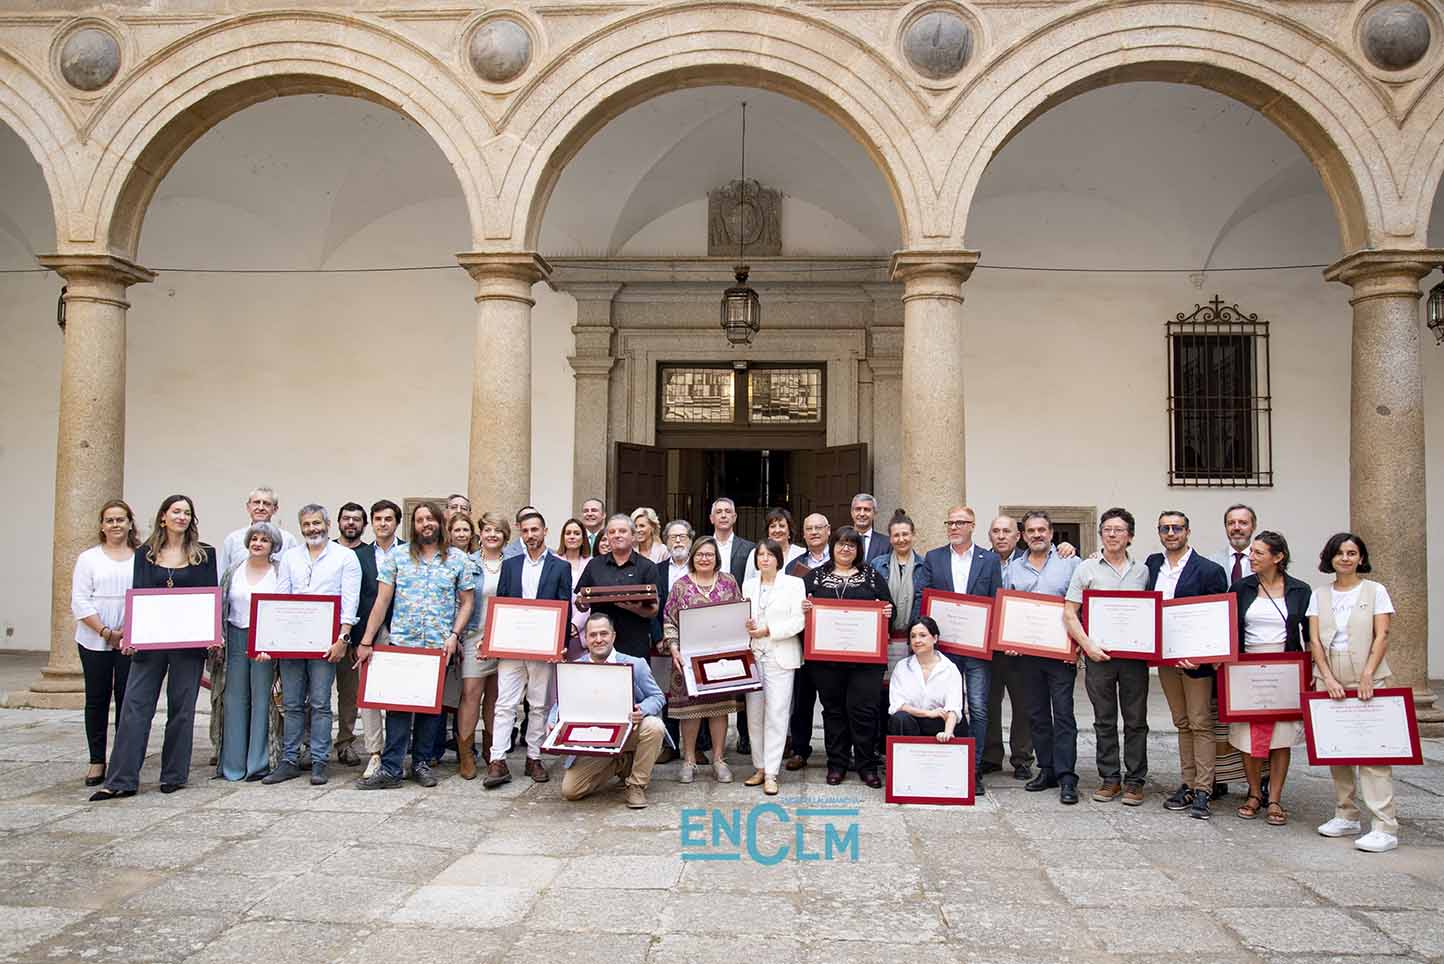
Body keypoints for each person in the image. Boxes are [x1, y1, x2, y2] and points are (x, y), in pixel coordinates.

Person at [91, 495, 219, 800]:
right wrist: (132, 637)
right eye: (176, 511)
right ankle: (121, 778)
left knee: (182, 709)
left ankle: (174, 774)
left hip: (189, 643)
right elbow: (139, 594)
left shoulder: (205, 554)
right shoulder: (146, 554)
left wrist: (214, 636)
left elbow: (210, 597)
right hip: (151, 642)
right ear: (163, 517)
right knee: (136, 707)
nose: (182, 517)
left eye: (187, 512)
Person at [354, 502, 475, 789]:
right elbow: (382, 600)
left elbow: (468, 602)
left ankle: (421, 763)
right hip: (402, 643)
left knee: (429, 710)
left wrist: (454, 634)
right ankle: (392, 768)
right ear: (414, 525)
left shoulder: (458, 559)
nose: (425, 524)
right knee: (398, 708)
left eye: (430, 519)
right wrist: (367, 641)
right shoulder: (397, 557)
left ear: (439, 523)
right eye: (420, 520)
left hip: (437, 645)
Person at [1308, 532, 1400, 852]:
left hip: (1367, 672)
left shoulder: (1375, 591)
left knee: (1373, 750)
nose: (1346, 558)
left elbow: (1382, 634)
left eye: (1352, 553)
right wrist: (1327, 677)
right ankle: (1345, 813)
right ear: (1330, 558)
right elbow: (1315, 640)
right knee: (1339, 748)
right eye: (1340, 553)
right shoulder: (1320, 594)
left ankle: (1384, 825)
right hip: (1331, 673)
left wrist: (1368, 675)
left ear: (1361, 558)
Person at [263, 505, 360, 786]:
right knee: (291, 703)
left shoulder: (345, 557)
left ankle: (319, 760)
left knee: (320, 703)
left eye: (317, 523)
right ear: (300, 527)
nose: (312, 529)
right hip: (292, 643)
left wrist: (343, 639)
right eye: (306, 524)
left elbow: (349, 602)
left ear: (328, 524)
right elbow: (281, 598)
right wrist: (274, 641)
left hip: (325, 643)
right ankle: (289, 760)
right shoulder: (290, 558)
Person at [1063, 507, 1151, 807]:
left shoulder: (1142, 571)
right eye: (1107, 529)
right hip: (1098, 656)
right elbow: (1070, 613)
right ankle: (1110, 778)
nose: (1112, 535)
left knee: (1136, 720)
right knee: (1104, 719)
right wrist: (1087, 646)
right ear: (1100, 533)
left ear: (1130, 536)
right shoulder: (1085, 569)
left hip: (1134, 658)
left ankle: (1136, 781)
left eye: (1119, 530)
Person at [1145, 511, 1228, 819]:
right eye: (1165, 528)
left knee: (1200, 722)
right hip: (1166, 657)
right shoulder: (1153, 565)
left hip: (1196, 660)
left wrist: (1206, 656)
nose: (1171, 533)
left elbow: (1218, 617)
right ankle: (1188, 782)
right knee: (1181, 722)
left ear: (1187, 531)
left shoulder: (1209, 570)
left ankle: (1205, 789)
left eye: (1176, 527)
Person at [913, 505, 1001, 792]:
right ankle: (943, 761)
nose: (953, 527)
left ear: (972, 525)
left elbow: (995, 602)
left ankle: (973, 769)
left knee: (977, 707)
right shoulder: (934, 557)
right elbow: (923, 596)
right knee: (944, 706)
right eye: (949, 522)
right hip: (945, 648)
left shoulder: (988, 560)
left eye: (960, 522)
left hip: (976, 649)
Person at [484, 511, 573, 788]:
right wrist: (493, 640)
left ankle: (534, 757)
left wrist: (561, 646)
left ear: (545, 531)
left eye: (535, 530)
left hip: (543, 647)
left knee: (538, 705)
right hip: (511, 647)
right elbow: (500, 604)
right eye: (525, 531)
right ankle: (497, 760)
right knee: (504, 703)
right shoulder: (510, 566)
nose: (531, 535)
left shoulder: (560, 567)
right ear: (520, 533)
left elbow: (565, 608)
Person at [802, 526, 894, 788]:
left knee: (864, 712)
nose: (845, 549)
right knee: (833, 712)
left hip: (865, 663)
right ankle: (837, 764)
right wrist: (803, 607)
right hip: (826, 662)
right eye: (841, 544)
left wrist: (888, 612)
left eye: (851, 545)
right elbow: (798, 613)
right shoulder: (815, 577)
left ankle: (866, 766)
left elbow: (889, 608)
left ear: (858, 549)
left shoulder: (872, 577)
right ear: (832, 547)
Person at [1230, 531, 1311, 826]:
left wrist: (1311, 670)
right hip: (1247, 665)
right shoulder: (1241, 587)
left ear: (1278, 557)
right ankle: (1254, 793)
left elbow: (1308, 634)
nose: (1252, 557)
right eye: (1252, 552)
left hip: (1285, 666)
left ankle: (1274, 797)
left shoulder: (1300, 590)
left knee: (1281, 737)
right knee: (1248, 734)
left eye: (1259, 553)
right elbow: (1229, 626)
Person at [1005, 511, 1082, 805]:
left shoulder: (1071, 562)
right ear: (1023, 536)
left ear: (1051, 533)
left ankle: (1066, 776)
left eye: (1042, 530)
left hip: (1060, 655)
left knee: (1063, 714)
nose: (1037, 535)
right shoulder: (1014, 567)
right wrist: (1008, 639)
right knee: (1036, 714)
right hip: (1027, 656)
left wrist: (1077, 647)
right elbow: (1007, 607)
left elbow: (1081, 606)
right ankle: (1046, 769)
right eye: (1031, 531)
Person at [557, 613, 669, 808]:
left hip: (628, 733)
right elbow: (561, 703)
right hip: (594, 739)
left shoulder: (636, 664)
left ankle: (636, 785)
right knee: (571, 791)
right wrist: (553, 720)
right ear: (586, 638)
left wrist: (641, 710)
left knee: (654, 726)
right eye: (593, 635)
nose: (598, 639)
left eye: (603, 634)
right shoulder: (575, 668)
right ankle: (621, 763)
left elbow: (658, 697)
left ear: (613, 636)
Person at [663, 536, 745, 783]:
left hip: (721, 659)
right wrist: (674, 648)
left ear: (716, 558)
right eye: (699, 554)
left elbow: (739, 613)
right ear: (692, 557)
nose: (704, 558)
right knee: (692, 710)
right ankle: (689, 761)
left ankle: (719, 760)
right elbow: (669, 620)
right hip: (688, 660)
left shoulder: (728, 582)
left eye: (709, 554)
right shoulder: (681, 586)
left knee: (719, 709)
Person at [71, 499, 138, 786]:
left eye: (120, 519)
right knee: (97, 699)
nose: (115, 525)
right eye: (110, 520)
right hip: (94, 638)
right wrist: (105, 631)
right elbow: (80, 600)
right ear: (102, 525)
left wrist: (125, 631)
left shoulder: (140, 556)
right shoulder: (89, 558)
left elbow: (146, 595)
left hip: (130, 639)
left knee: (128, 700)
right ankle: (97, 760)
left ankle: (123, 758)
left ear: (130, 523)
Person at [216, 522, 281, 781]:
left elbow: (285, 609)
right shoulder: (233, 571)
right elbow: (220, 606)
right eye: (254, 538)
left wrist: (273, 642)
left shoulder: (279, 571)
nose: (258, 543)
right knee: (234, 699)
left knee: (262, 700)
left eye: (264, 540)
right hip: (235, 638)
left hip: (266, 641)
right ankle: (233, 764)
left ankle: (258, 763)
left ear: (273, 545)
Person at [741, 538, 805, 794]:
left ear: (779, 558)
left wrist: (770, 629)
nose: (764, 559)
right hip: (753, 655)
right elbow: (740, 617)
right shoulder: (748, 585)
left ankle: (772, 772)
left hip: (780, 653)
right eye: (760, 555)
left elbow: (799, 620)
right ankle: (759, 767)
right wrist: (745, 626)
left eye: (769, 555)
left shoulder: (793, 584)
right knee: (754, 714)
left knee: (777, 713)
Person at [355, 499, 405, 778]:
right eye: (378, 519)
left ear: (397, 523)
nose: (383, 524)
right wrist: (358, 639)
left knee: (399, 693)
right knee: (369, 695)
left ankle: (396, 751)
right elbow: (354, 596)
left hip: (400, 630)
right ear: (371, 523)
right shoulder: (358, 555)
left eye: (388, 519)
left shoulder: (410, 552)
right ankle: (374, 752)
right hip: (369, 633)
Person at [870, 509, 924, 762]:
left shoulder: (925, 566)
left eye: (905, 534)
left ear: (913, 535)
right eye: (896, 535)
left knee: (906, 693)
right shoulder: (877, 564)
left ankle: (900, 743)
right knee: (880, 694)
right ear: (889, 538)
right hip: (884, 639)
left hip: (913, 641)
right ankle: (880, 745)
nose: (901, 539)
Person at [982, 514, 1033, 780]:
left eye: (1006, 531)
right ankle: (991, 756)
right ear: (989, 536)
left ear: (1018, 536)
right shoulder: (981, 561)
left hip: (1020, 647)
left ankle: (1022, 758)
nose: (1001, 536)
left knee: (1022, 703)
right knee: (988, 702)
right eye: (995, 531)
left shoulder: (1030, 561)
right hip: (987, 645)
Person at [574, 514, 662, 660]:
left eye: (622, 531)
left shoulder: (648, 567)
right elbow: (581, 603)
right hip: (600, 644)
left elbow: (654, 611)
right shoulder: (594, 565)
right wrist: (581, 603)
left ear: (633, 536)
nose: (617, 535)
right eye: (612, 532)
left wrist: (633, 607)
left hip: (635, 644)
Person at [785, 512, 831, 771]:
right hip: (802, 642)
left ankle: (836, 750)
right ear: (803, 534)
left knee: (832, 701)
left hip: (832, 644)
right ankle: (800, 749)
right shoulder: (793, 566)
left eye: (819, 528)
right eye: (809, 528)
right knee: (801, 701)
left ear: (828, 531)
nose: (814, 532)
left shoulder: (840, 562)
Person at [332, 502, 369, 767]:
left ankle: (345, 743)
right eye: (346, 519)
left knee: (349, 693)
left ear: (364, 525)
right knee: (315, 694)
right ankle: (311, 745)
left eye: (357, 519)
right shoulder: (325, 550)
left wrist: (360, 638)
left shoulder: (368, 555)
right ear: (338, 522)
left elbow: (368, 599)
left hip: (354, 636)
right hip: (321, 634)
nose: (351, 523)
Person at [887, 617, 962, 742]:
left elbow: (953, 707)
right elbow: (897, 705)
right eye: (913, 636)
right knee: (899, 719)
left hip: (939, 724)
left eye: (923, 635)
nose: (917, 641)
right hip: (911, 724)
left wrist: (947, 733)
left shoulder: (949, 668)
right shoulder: (902, 667)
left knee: (954, 724)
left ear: (935, 638)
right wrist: (928, 713)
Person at [216, 486, 298, 581]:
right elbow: (223, 576)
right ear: (248, 507)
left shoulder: (288, 540)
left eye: (266, 504)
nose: (260, 507)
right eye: (256, 502)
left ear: (275, 509)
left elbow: (294, 575)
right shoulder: (233, 539)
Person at [742, 508, 806, 584]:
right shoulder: (756, 553)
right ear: (768, 531)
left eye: (782, 526)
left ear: (789, 530)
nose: (777, 530)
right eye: (773, 526)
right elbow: (747, 583)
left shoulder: (801, 553)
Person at [557, 517, 591, 658]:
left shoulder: (592, 563)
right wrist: (563, 624)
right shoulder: (553, 561)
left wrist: (574, 624)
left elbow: (591, 599)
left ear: (583, 538)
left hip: (581, 630)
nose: (572, 536)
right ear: (563, 537)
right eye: (568, 533)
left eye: (576, 533)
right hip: (556, 628)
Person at [709, 498, 755, 586]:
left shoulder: (749, 548)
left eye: (728, 511)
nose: (723, 515)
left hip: (737, 598)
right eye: (718, 512)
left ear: (734, 518)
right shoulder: (703, 547)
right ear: (712, 518)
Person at [1211, 504, 1257, 585]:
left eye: (1243, 523)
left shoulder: (1265, 563)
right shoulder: (1212, 562)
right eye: (1231, 523)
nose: (1236, 528)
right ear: (1225, 527)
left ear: (1253, 527)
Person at [850, 493, 889, 562]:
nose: (862, 514)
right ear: (852, 512)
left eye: (867, 510)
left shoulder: (886, 543)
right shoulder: (841, 541)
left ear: (875, 513)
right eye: (858, 509)